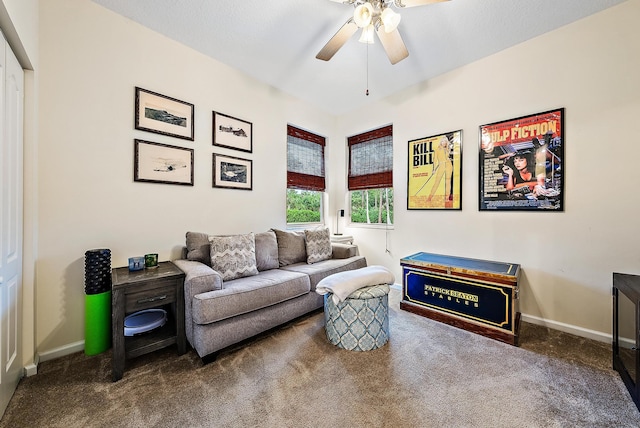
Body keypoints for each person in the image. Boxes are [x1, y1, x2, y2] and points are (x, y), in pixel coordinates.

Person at [427, 135, 453, 202]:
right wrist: (434, 169)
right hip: (441, 165)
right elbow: (435, 159)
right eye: (443, 141)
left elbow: (448, 156)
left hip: (448, 165)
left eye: (445, 141)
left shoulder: (447, 149)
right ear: (441, 142)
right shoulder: (437, 149)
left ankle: (447, 198)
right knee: (437, 181)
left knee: (448, 182)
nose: (444, 143)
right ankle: (430, 197)